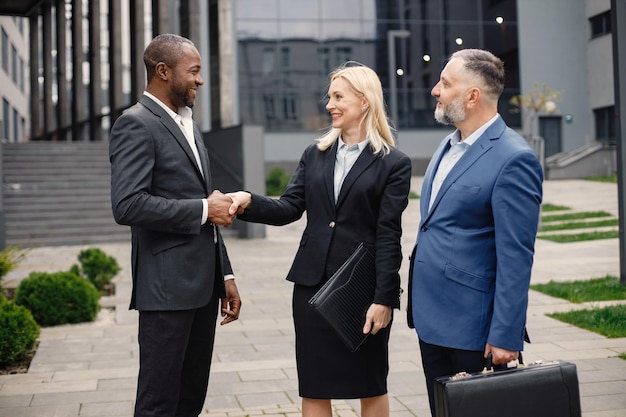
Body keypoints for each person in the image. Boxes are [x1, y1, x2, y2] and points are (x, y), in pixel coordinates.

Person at [228, 62, 412, 417]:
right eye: (329, 97)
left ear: (364, 101)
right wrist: (248, 201)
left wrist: (385, 298)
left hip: (362, 292)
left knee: (370, 383)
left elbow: (388, 235)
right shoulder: (316, 154)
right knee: (314, 385)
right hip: (311, 288)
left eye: (338, 96)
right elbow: (289, 207)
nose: (329, 105)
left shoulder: (394, 164)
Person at [109, 33, 242, 417]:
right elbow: (127, 204)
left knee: (189, 399)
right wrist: (203, 208)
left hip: (203, 288)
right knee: (158, 403)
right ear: (163, 71)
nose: (200, 80)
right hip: (166, 292)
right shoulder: (135, 124)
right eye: (194, 71)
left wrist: (226, 275)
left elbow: (209, 209)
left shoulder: (189, 124)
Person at [407, 48, 543, 415]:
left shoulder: (515, 158)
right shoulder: (446, 146)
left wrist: (505, 335)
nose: (435, 90)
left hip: (474, 331)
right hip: (431, 321)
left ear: (472, 96)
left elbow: (517, 256)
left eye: (445, 83)